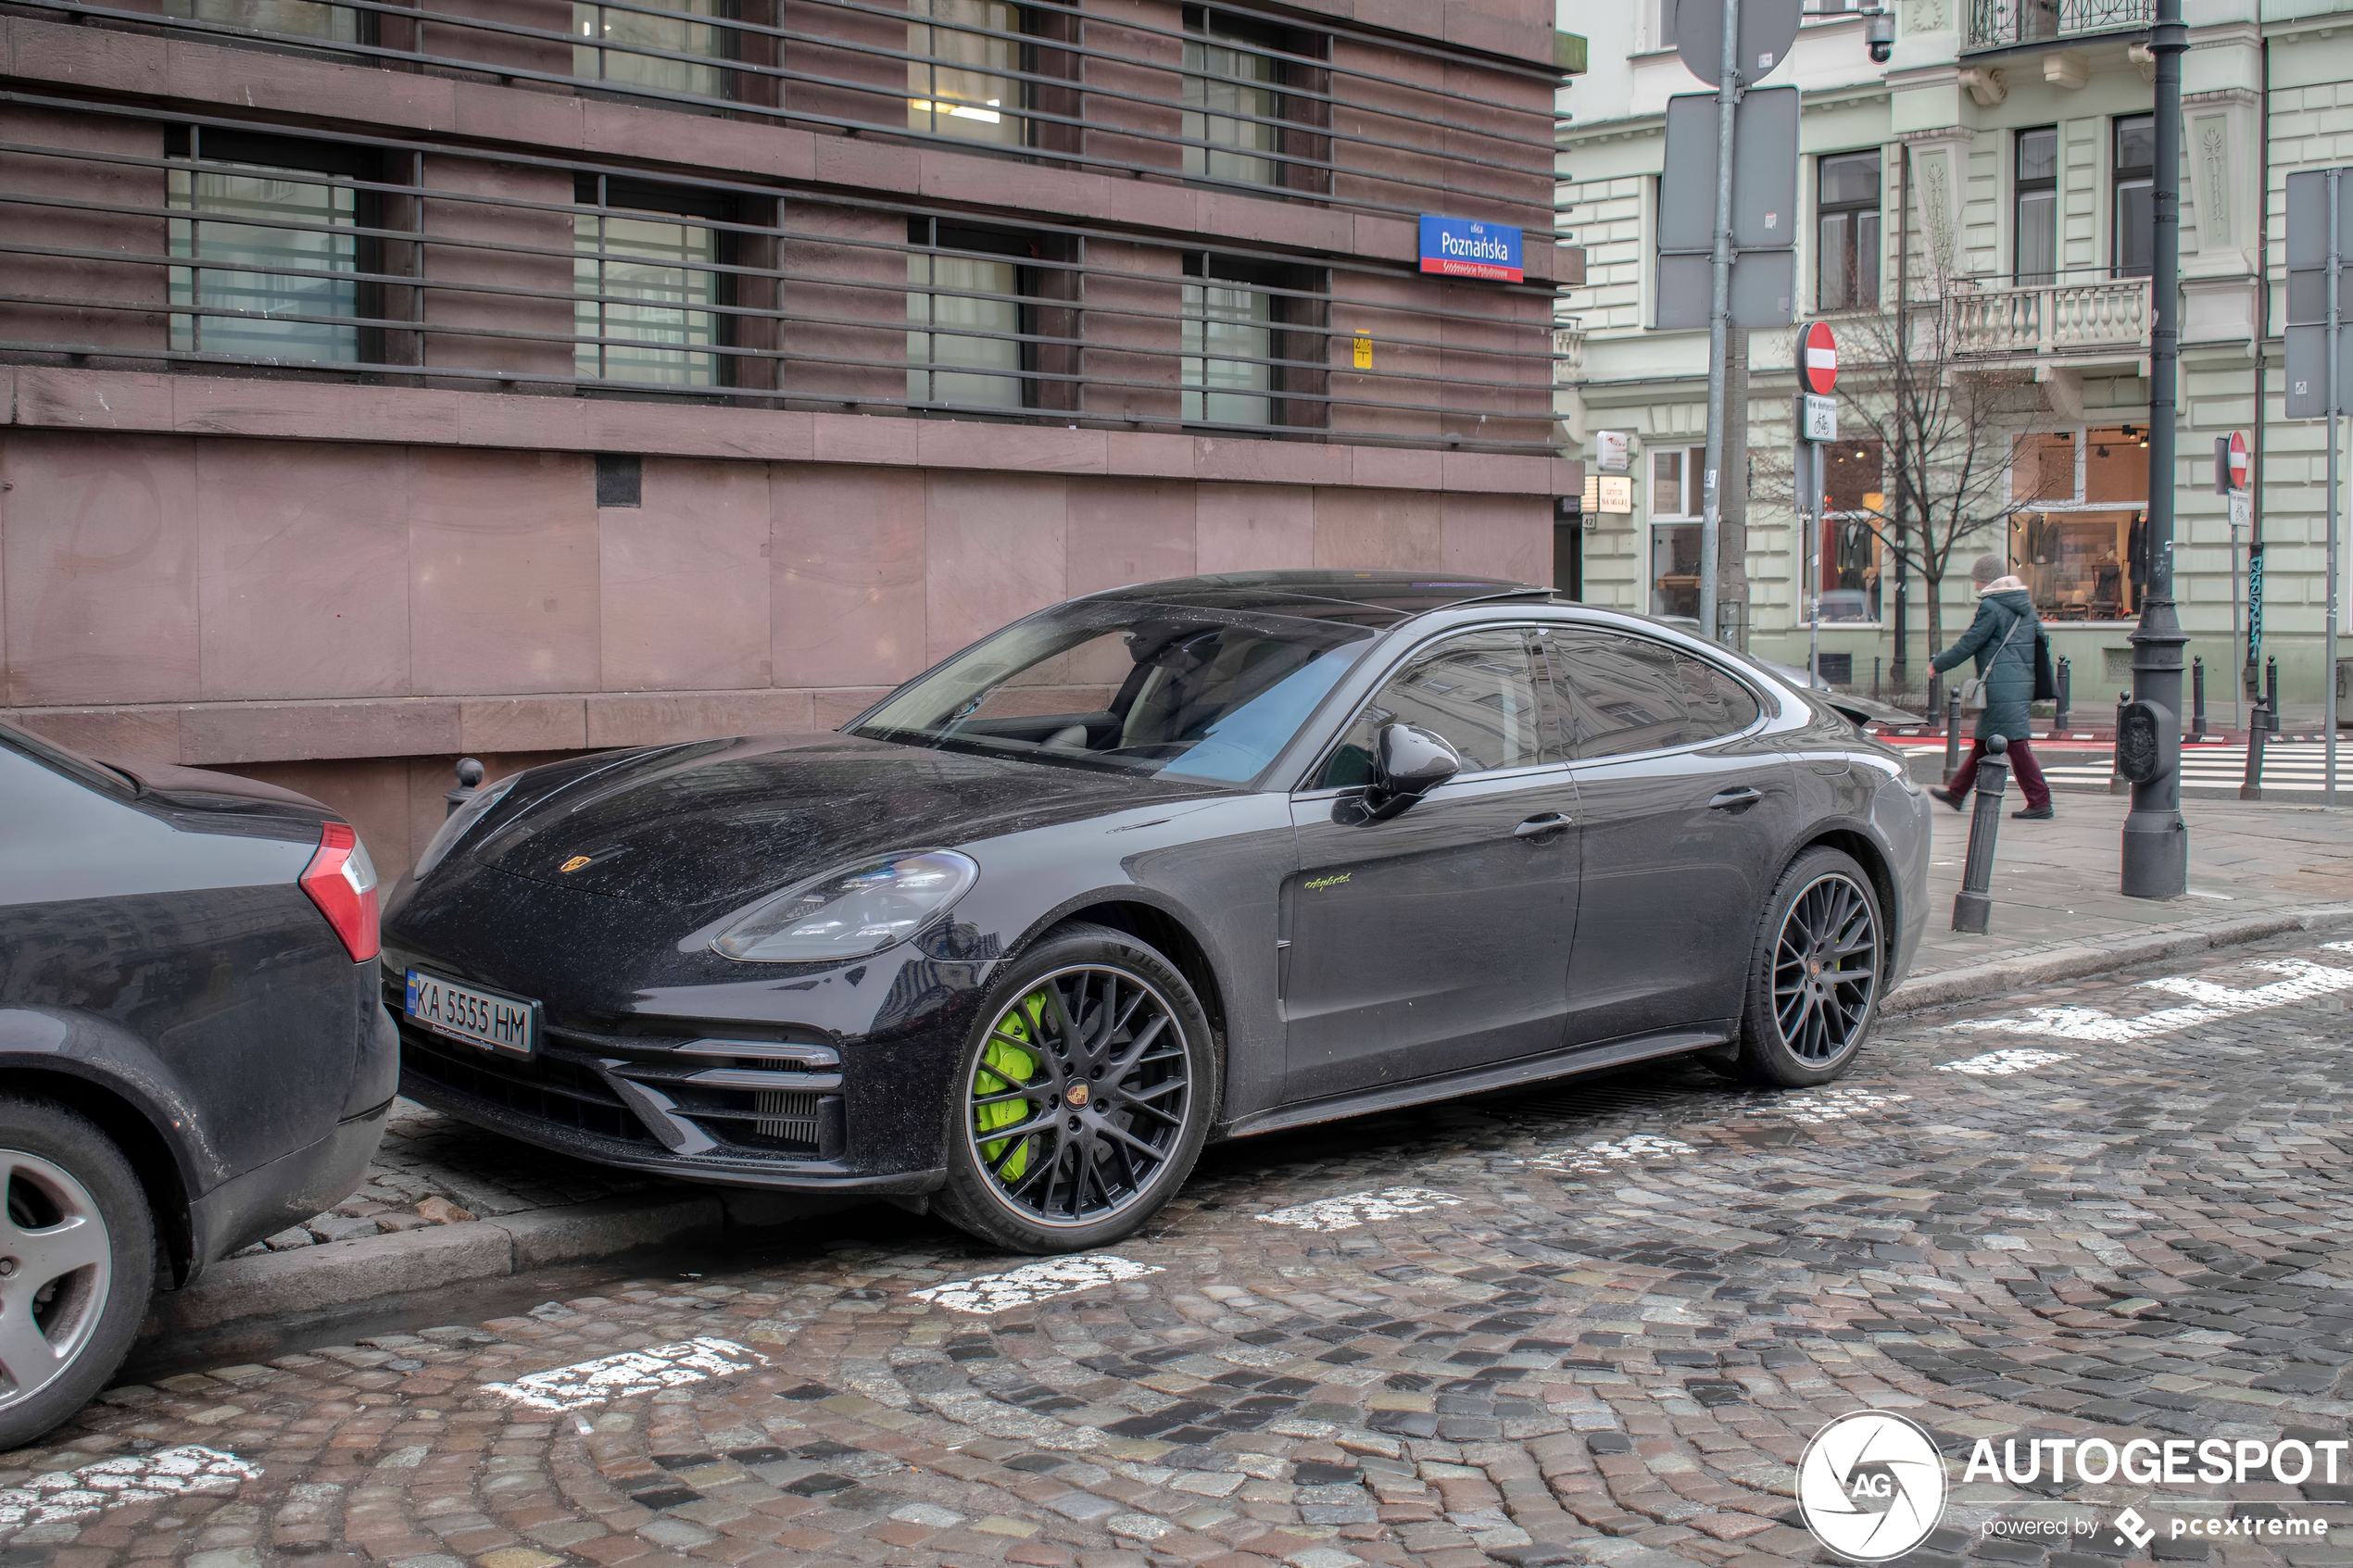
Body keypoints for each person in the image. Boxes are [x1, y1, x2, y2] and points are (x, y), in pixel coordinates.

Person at [1929, 554, 2055, 821]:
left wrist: (1938, 664)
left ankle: (2040, 800)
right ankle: (1957, 792)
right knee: (1985, 742)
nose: (1975, 585)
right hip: (2019, 682)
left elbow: (1970, 641)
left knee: (2015, 744)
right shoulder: (2024, 606)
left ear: (1986, 579)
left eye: (1977, 580)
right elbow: (2041, 640)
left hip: (2000, 684)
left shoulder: (1992, 606)